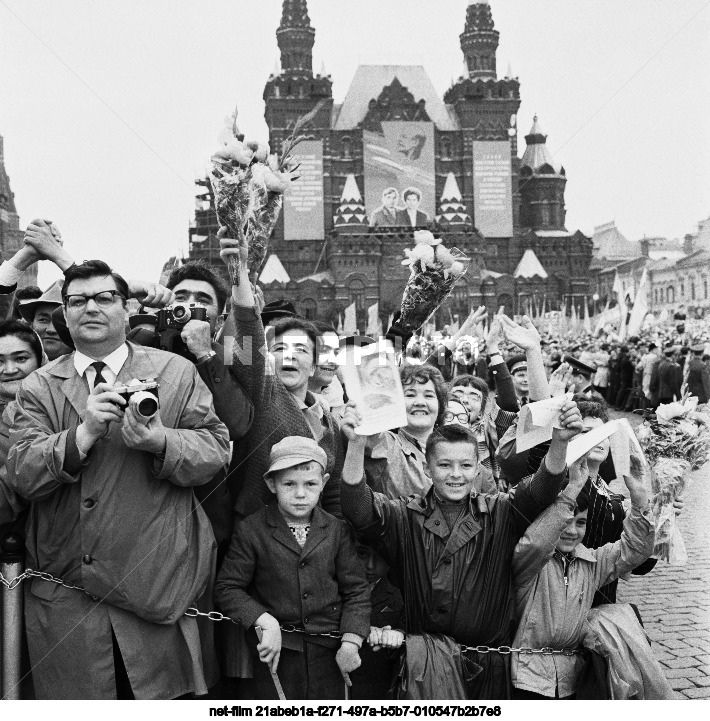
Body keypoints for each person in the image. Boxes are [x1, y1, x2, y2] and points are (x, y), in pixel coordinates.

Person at [3, 260, 231, 699]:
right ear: (65, 315)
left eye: (105, 298)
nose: (91, 307)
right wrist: (82, 433)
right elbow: (22, 474)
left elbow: (217, 451)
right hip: (69, 597)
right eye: (78, 300)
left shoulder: (175, 372)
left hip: (155, 588)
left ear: (127, 309)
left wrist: (161, 441)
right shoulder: (39, 386)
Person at [339, 403, 583, 699]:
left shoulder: (500, 511)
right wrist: (356, 444)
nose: (456, 474)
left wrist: (559, 443)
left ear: (478, 466)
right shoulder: (403, 515)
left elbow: (541, 489)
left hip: (489, 668)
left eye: (466, 465)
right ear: (428, 467)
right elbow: (358, 509)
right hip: (424, 666)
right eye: (444, 465)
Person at [214, 436, 370, 700]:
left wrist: (351, 641)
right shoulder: (252, 530)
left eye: (310, 484)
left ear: (324, 483)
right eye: (289, 484)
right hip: (276, 653)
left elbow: (356, 590)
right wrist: (264, 620)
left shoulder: (336, 529)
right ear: (271, 484)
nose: (300, 494)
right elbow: (228, 588)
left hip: (330, 653)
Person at [219, 229, 345, 520]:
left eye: (300, 350)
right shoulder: (263, 394)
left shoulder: (331, 423)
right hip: (256, 540)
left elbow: (335, 493)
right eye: (279, 348)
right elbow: (249, 332)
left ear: (313, 366)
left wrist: (335, 540)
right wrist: (239, 271)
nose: (289, 355)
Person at [510, 450, 654, 699]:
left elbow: (634, 550)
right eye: (565, 520)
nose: (571, 530)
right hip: (526, 678)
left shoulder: (590, 562)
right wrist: (572, 489)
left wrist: (640, 498)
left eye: (581, 522)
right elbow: (537, 543)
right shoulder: (529, 560)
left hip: (572, 679)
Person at [363, 363, 446, 499]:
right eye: (410, 395)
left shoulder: (453, 447)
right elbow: (368, 441)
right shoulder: (386, 444)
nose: (420, 402)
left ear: (440, 405)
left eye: (429, 396)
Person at [0, 320, 44, 529]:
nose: (9, 369)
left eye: (21, 358)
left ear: (40, 361)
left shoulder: (56, 410)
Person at [349, 541, 405, 700]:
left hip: (376, 690)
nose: (370, 565)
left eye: (380, 556)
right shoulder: (330, 590)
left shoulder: (400, 597)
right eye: (362, 554)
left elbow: (408, 627)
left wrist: (398, 634)